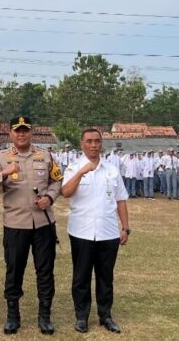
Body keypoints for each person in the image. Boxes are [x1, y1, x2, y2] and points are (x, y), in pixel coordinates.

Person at [0, 116, 62, 335]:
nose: (21, 134)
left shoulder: (45, 155)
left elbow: (57, 180)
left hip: (43, 224)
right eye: (17, 131)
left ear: (31, 132)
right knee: (14, 270)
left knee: (45, 271)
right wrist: (4, 173)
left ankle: (45, 316)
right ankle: (13, 316)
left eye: (25, 130)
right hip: (15, 224)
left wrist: (49, 197)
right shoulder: (1, 157)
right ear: (10, 133)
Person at [61, 128, 129, 334]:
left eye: (97, 141)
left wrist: (125, 227)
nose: (93, 145)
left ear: (101, 144)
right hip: (81, 231)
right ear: (82, 144)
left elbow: (121, 199)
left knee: (105, 277)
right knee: (81, 276)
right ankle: (81, 316)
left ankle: (105, 315)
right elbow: (65, 192)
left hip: (108, 232)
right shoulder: (74, 168)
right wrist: (82, 172)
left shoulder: (112, 170)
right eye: (89, 141)